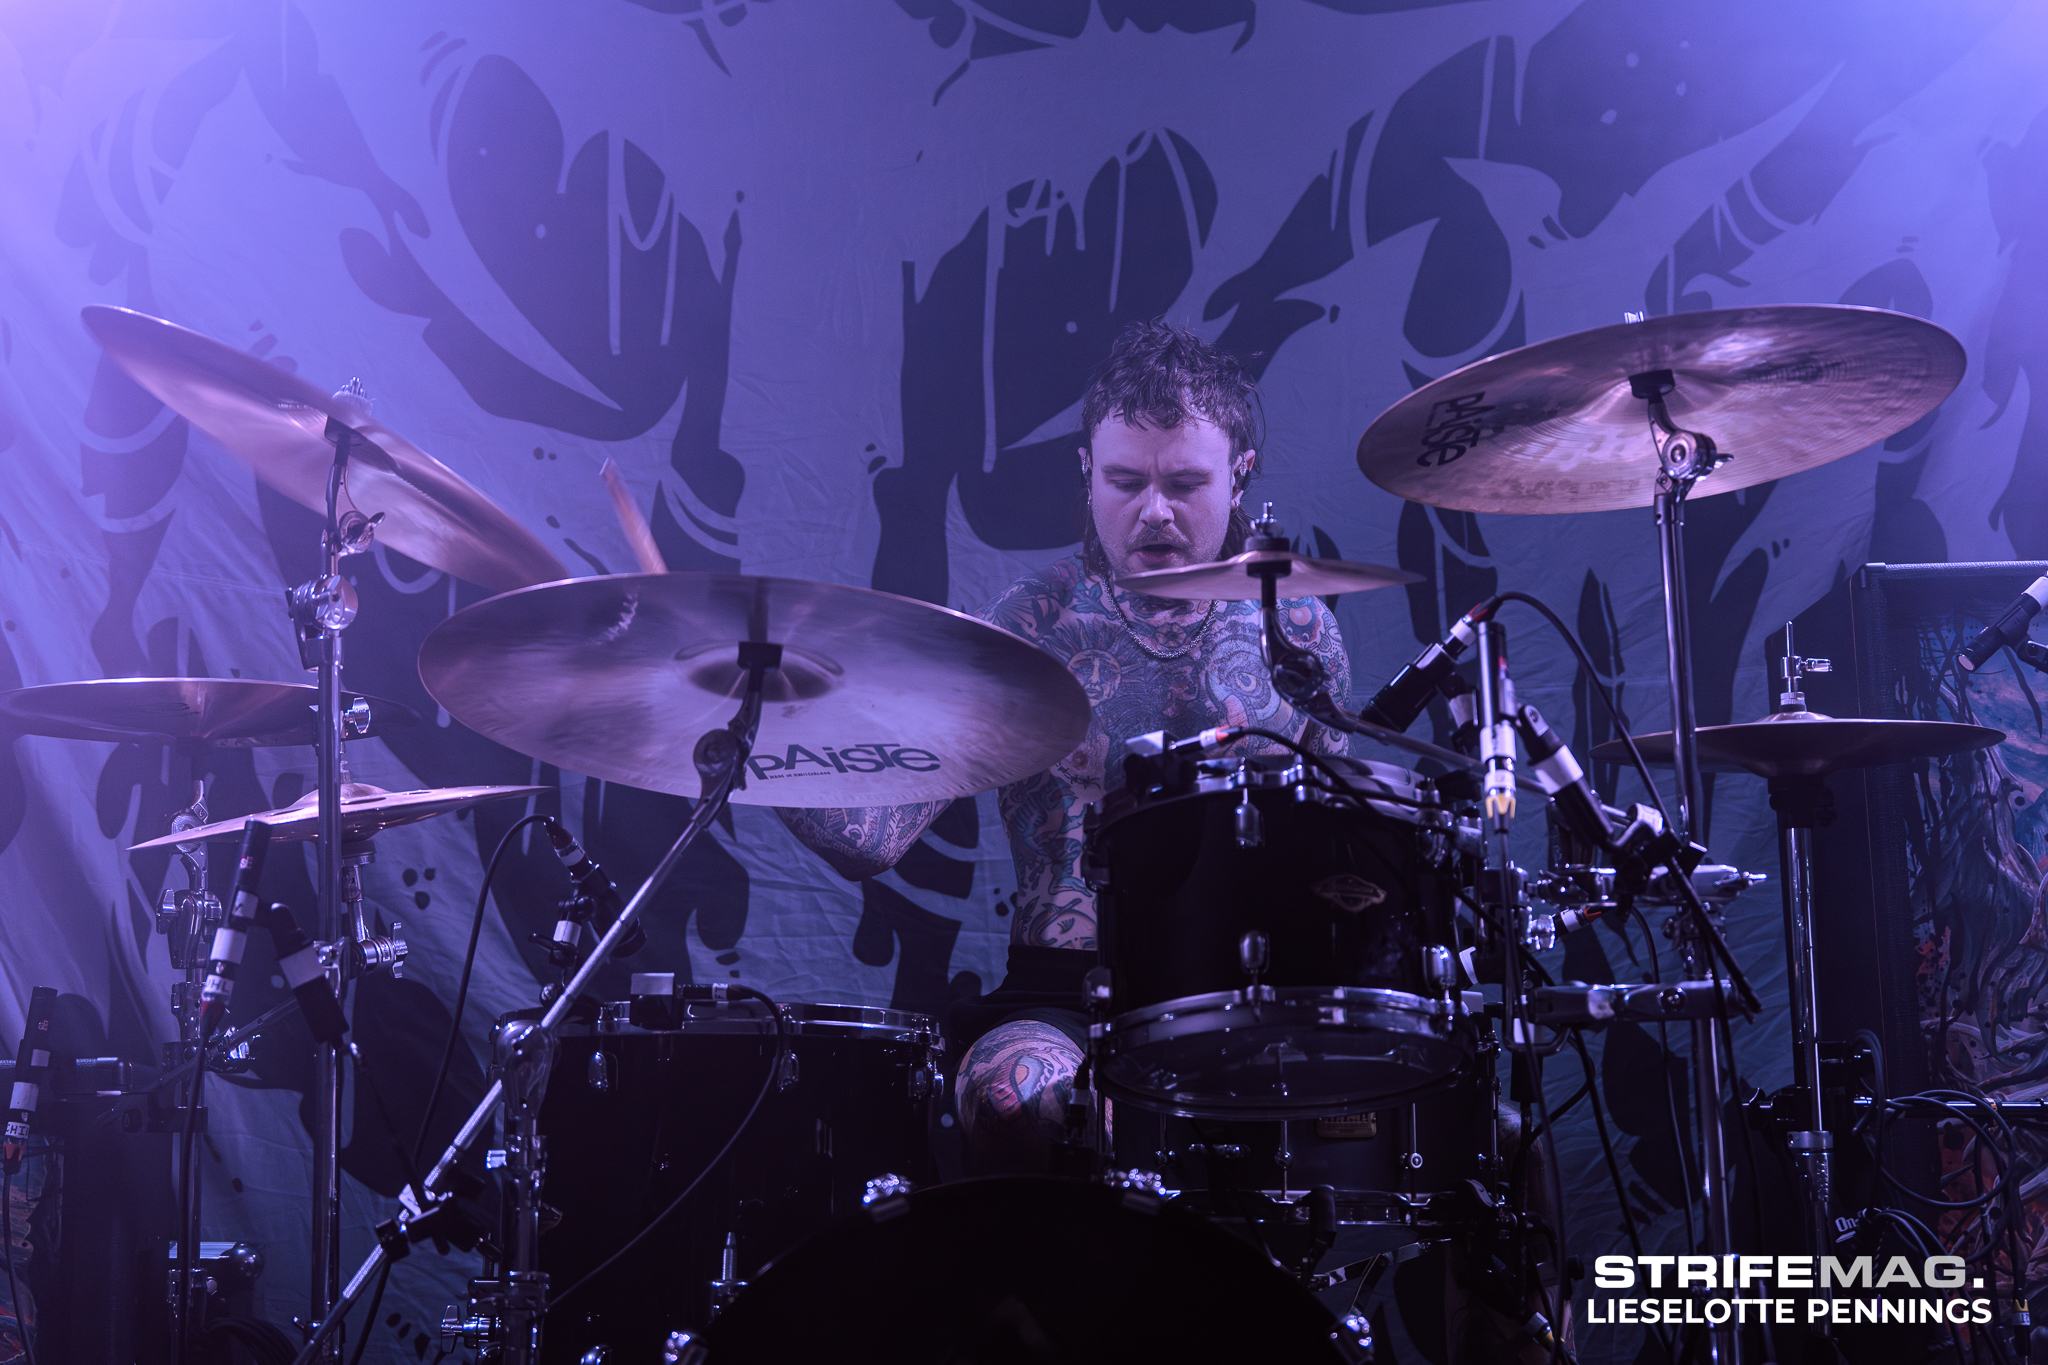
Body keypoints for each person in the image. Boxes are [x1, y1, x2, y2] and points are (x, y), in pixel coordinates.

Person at [777, 318, 1351, 1173]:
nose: (1154, 510)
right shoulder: (1031, 624)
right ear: (1087, 471)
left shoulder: (1297, 628)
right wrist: (752, 728)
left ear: (1241, 473)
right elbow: (870, 836)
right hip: (1065, 995)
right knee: (1020, 1099)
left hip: (1250, 995)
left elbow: (1344, 851)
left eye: (1184, 483)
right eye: (1125, 480)